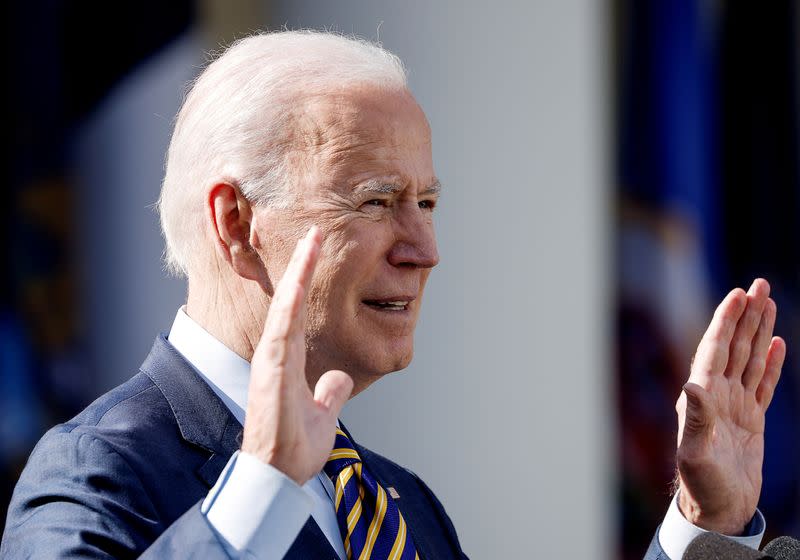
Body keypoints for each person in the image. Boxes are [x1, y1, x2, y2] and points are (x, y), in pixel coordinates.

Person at [0, 31, 786, 559]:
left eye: (428, 204)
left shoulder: (401, 506)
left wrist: (703, 526)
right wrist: (261, 490)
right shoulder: (93, 471)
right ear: (237, 224)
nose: (425, 252)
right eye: (375, 201)